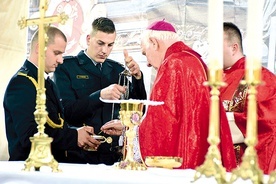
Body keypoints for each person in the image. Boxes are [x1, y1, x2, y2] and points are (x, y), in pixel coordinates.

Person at [101, 20, 237, 171]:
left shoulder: (172, 64)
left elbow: (162, 125)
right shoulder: (195, 61)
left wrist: (129, 127)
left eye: (145, 53)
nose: (147, 63)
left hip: (183, 161)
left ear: (154, 43)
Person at [54, 17, 147, 165]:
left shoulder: (117, 70)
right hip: (78, 156)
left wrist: (137, 78)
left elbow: (137, 113)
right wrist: (100, 96)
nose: (105, 50)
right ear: (88, 39)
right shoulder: (66, 67)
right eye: (100, 43)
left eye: (110, 45)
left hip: (112, 156)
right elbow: (66, 111)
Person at [3, 26, 99, 162]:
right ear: (39, 48)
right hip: (30, 170)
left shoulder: (47, 82)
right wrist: (74, 136)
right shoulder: (22, 83)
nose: (61, 60)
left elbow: (55, 124)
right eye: (56, 53)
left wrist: (79, 132)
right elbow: (29, 137)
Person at [221, 22, 276, 174]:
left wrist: (224, 120)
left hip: (245, 163)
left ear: (234, 48)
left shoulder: (262, 77)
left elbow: (268, 123)